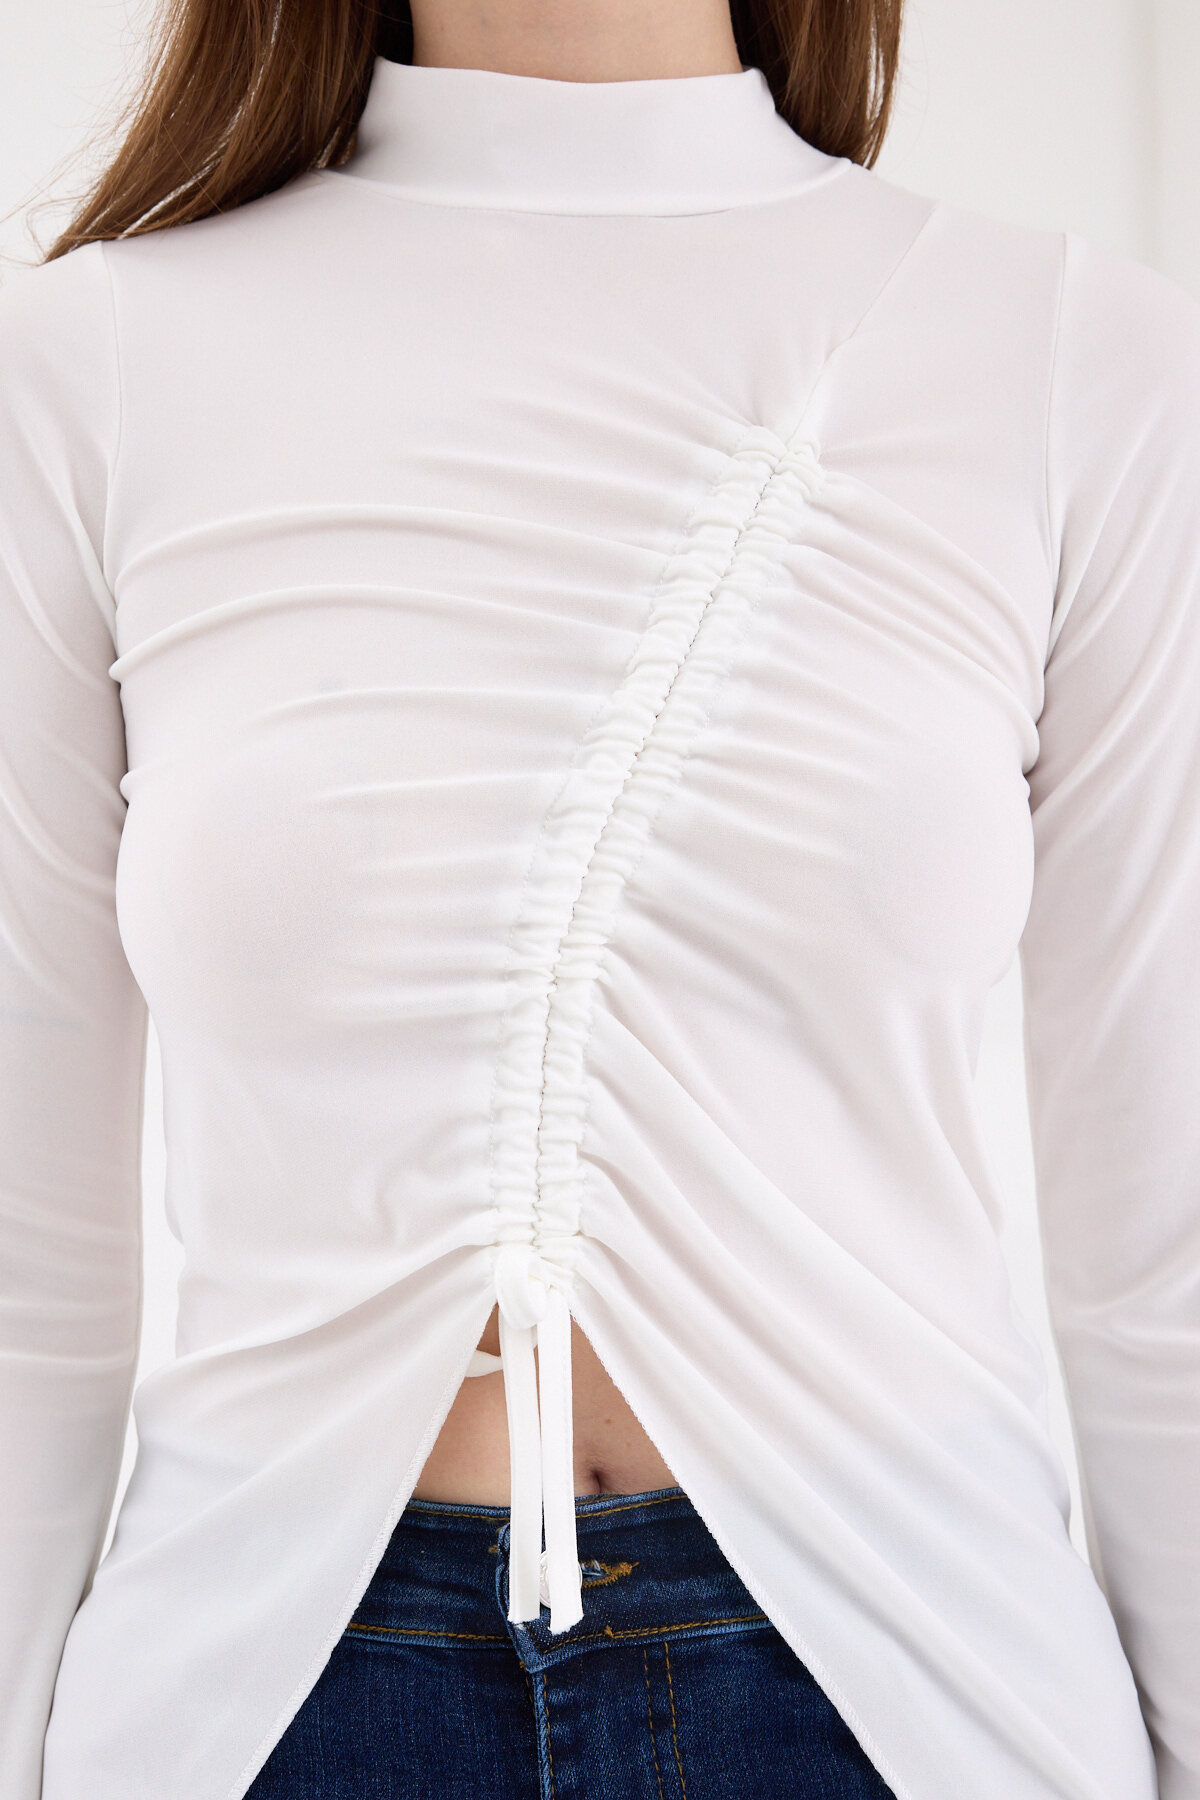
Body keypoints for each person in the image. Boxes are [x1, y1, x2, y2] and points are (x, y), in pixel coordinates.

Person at [1, 0, 1198, 1794]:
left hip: (914, 1676)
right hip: (268, 1693)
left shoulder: (1073, 355)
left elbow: (1164, 1234)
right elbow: (25, 1251)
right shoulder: (85, 366)